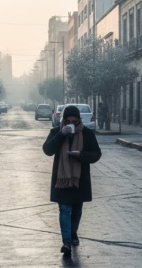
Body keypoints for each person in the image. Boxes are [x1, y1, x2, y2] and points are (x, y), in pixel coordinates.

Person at [42, 105, 102, 257]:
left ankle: (73, 233)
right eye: (67, 121)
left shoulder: (87, 134)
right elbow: (47, 150)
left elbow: (96, 154)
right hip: (61, 180)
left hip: (79, 179)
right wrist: (61, 134)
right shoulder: (56, 132)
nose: (71, 124)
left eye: (74, 122)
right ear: (63, 120)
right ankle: (66, 242)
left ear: (79, 121)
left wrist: (81, 155)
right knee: (64, 209)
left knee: (76, 210)